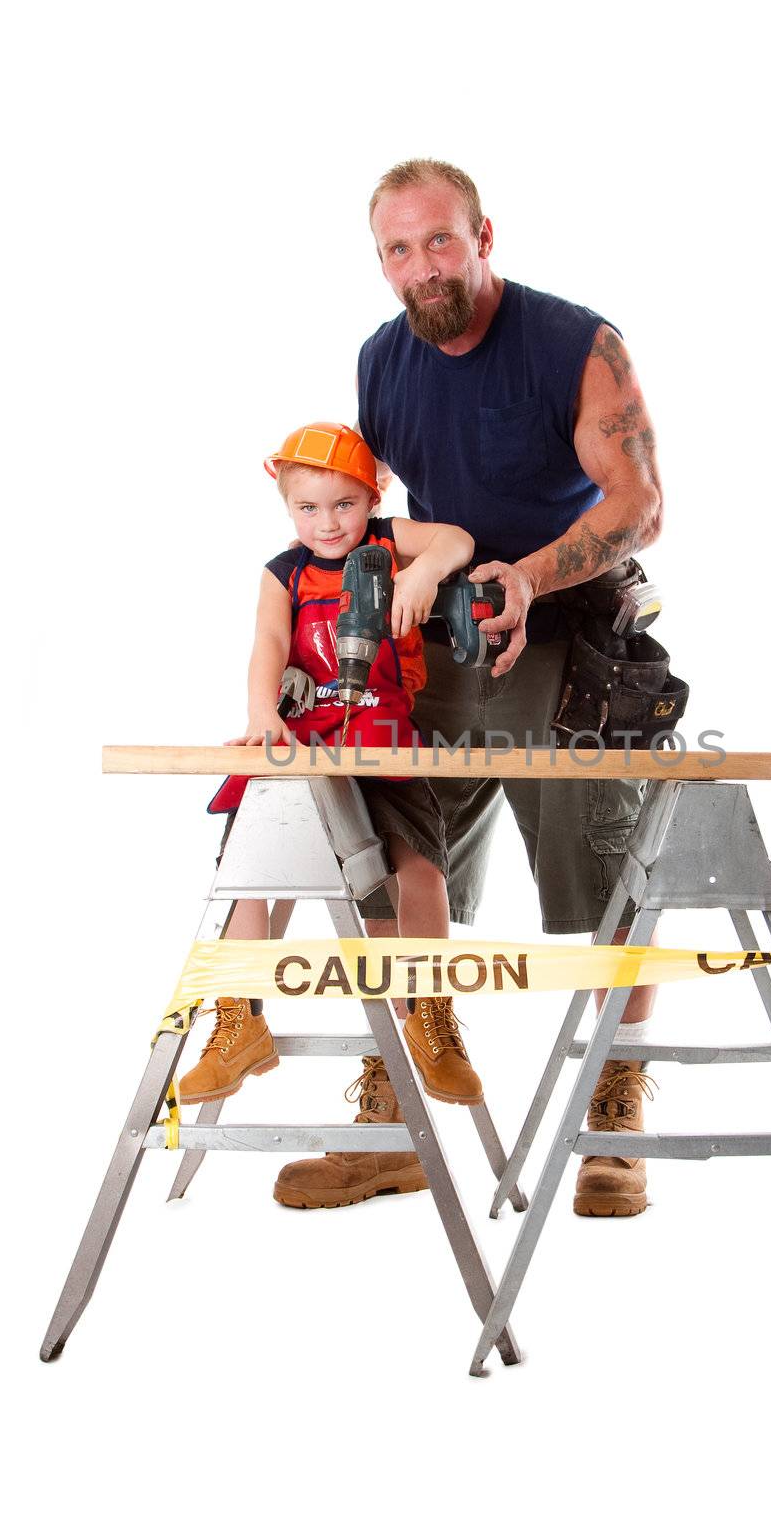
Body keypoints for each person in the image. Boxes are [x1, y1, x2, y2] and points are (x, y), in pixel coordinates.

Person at [276, 161, 665, 1218]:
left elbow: (640, 503)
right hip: (434, 650)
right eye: (397, 250)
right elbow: (370, 513)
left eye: (438, 241)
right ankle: (396, 1113)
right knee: (397, 865)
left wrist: (528, 577)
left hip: (566, 636)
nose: (420, 267)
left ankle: (611, 1112)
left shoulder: (573, 346)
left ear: (482, 234)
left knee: (607, 874)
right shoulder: (381, 360)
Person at [179, 421, 486, 1209]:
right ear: (287, 509)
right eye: (308, 508)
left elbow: (454, 536)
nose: (328, 523)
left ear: (370, 498)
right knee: (258, 870)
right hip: (309, 731)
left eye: (343, 504)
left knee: (418, 866)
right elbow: (266, 646)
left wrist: (423, 574)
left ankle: (430, 1014)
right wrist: (261, 717)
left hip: (383, 730)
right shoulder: (282, 573)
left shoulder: (388, 539)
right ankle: (237, 1017)